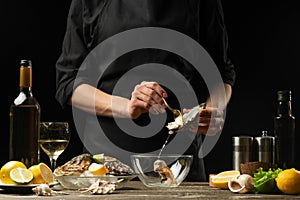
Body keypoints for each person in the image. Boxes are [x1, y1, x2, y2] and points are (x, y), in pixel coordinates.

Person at [55, 0, 235, 181]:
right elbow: (69, 82)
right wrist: (126, 107)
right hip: (106, 165)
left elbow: (220, 74)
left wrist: (213, 110)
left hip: (180, 164)